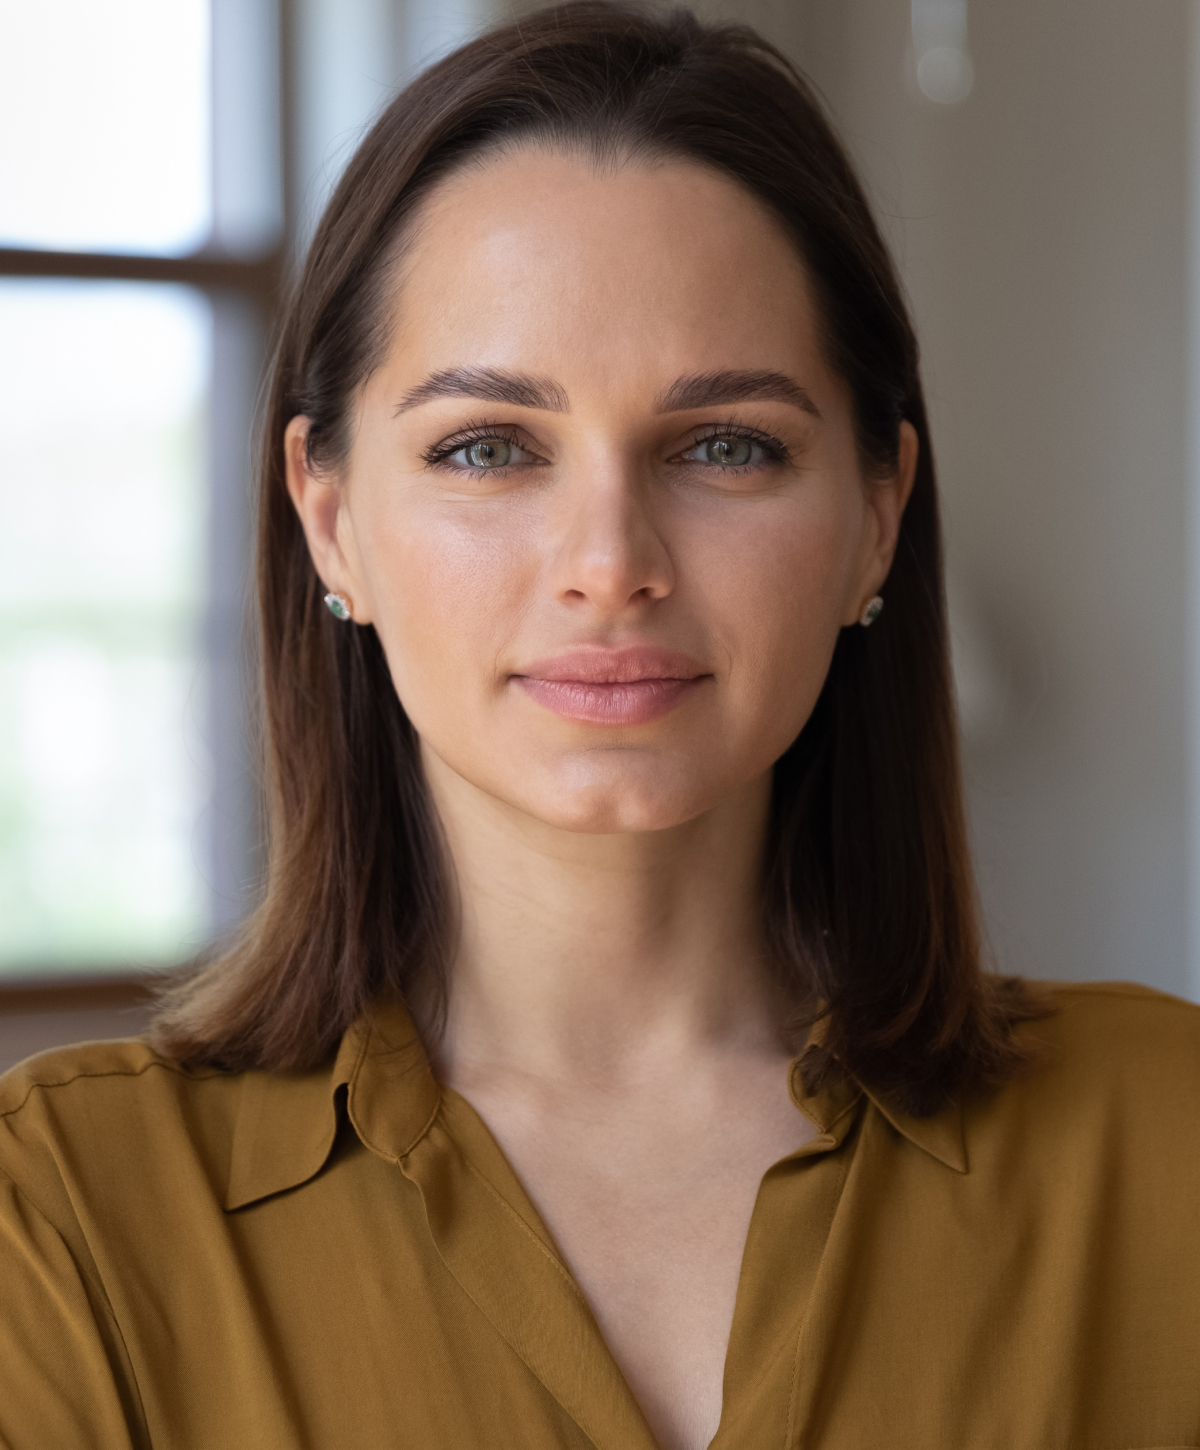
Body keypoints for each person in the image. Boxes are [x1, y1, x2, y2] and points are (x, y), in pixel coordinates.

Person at [3, 4, 1198, 1448]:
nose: (609, 559)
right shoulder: (61, 1217)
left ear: (878, 515)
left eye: (725, 445)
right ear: (330, 520)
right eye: (489, 447)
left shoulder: (1167, 1145)